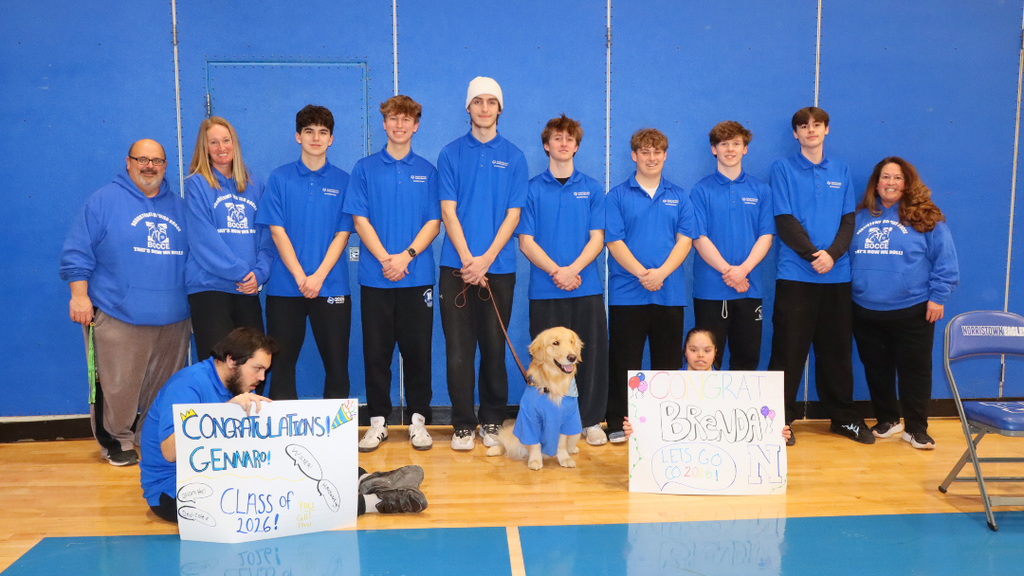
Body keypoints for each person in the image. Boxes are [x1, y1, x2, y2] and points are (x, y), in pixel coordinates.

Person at [139, 328, 426, 522]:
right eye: (258, 369)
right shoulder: (188, 384)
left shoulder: (229, 382)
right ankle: (377, 503)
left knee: (289, 457)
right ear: (230, 360)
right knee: (275, 502)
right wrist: (224, 414)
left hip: (219, 473)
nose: (262, 377)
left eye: (265, 370)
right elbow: (170, 452)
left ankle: (363, 479)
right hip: (173, 490)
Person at [60, 139, 192, 467]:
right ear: (129, 162)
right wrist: (79, 295)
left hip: (174, 319)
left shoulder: (180, 207)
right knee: (116, 387)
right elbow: (77, 251)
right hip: (118, 315)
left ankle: (150, 435)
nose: (150, 166)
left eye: (157, 161)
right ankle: (116, 440)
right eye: (142, 159)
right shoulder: (104, 201)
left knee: (163, 389)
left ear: (165, 166)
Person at [767, 107, 872, 446]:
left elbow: (847, 221)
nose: (810, 130)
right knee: (788, 351)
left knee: (837, 351)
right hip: (797, 275)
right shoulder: (782, 169)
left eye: (817, 125)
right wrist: (814, 255)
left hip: (837, 277)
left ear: (827, 130)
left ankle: (843, 418)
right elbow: (784, 219)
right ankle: (779, 422)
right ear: (795, 134)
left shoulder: (841, 170)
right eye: (803, 126)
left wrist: (833, 255)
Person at [345, 95, 441, 452]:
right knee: (376, 352)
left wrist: (407, 256)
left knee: (418, 351)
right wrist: (387, 258)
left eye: (406, 120)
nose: (399, 125)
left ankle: (418, 421)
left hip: (417, 277)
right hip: (376, 276)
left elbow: (434, 221)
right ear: (383, 124)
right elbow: (360, 219)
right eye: (392, 119)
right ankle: (378, 422)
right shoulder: (364, 168)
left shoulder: (428, 171)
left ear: (416, 125)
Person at [437, 77, 528, 451]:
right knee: (458, 349)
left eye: (492, 102)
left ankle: (491, 419)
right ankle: (462, 424)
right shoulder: (450, 153)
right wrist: (467, 260)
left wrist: (487, 260)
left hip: (499, 268)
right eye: (478, 102)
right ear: (468, 108)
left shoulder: (516, 156)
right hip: (455, 267)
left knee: (493, 346)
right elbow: (448, 210)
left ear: (500, 109)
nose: (485, 108)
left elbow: (513, 215)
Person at [850, 157, 959, 450]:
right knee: (876, 368)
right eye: (885, 177)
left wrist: (938, 297)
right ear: (876, 183)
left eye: (897, 178)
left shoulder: (926, 217)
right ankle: (887, 420)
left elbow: (945, 263)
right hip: (865, 309)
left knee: (916, 370)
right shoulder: (859, 217)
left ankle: (916, 429)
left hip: (912, 308)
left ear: (907, 183)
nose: (891, 183)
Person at [517, 114, 609, 446]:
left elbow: (597, 239)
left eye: (569, 139)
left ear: (577, 146)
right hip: (545, 289)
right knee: (546, 360)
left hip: (586, 287)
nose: (564, 143)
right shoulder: (530, 189)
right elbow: (526, 241)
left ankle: (591, 420)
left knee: (591, 354)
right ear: (546, 145)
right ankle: (548, 421)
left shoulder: (592, 188)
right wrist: (557, 272)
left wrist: (572, 271)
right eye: (557, 138)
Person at [256, 105, 354, 400]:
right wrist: (301, 277)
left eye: (323, 132)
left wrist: (319, 276)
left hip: (332, 286)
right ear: (298, 136)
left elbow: (343, 234)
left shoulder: (344, 181)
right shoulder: (279, 178)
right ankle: (287, 438)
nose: (316, 138)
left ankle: (335, 440)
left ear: (331, 139)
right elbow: (277, 231)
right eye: (309, 131)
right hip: (286, 288)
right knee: (281, 365)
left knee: (337, 366)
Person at [605, 128, 697, 443]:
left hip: (669, 294)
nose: (651, 157)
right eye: (645, 152)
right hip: (626, 294)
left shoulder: (679, 196)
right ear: (634, 156)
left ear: (665, 155)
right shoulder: (617, 195)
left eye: (657, 152)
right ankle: (618, 421)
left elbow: (685, 241)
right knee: (623, 363)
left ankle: (665, 424)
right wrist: (643, 273)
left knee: (667, 365)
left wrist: (661, 274)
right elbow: (614, 241)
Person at [183, 117, 273, 368]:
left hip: (247, 290)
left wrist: (259, 273)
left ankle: (250, 410)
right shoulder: (197, 185)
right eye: (213, 142)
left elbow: (267, 237)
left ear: (235, 143)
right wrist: (243, 273)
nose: (221, 147)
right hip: (210, 289)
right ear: (204, 147)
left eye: (226, 140)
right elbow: (203, 241)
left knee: (252, 366)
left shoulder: (254, 185)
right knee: (219, 368)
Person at [691, 121, 774, 370]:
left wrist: (743, 270)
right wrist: (730, 272)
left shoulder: (761, 190)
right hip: (710, 290)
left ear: (745, 149)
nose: (730, 149)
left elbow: (766, 236)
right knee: (706, 361)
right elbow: (699, 238)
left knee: (747, 357)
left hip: (749, 288)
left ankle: (741, 411)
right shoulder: (700, 190)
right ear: (714, 149)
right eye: (724, 144)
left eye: (736, 143)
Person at [622, 327, 792, 441]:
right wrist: (636, 429)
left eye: (707, 350)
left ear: (716, 352)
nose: (700, 355)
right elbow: (653, 421)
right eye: (694, 350)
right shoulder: (664, 386)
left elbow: (744, 424)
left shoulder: (732, 388)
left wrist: (775, 432)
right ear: (685, 351)